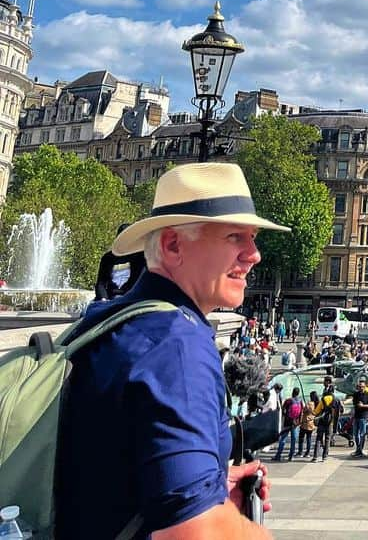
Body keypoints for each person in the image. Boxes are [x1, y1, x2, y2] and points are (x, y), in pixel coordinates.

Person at [55, 162, 290, 539]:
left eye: (253, 238)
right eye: (235, 237)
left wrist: (206, 482)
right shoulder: (176, 342)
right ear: (173, 245)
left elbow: (100, 467)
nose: (254, 254)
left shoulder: (108, 319)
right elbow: (194, 532)